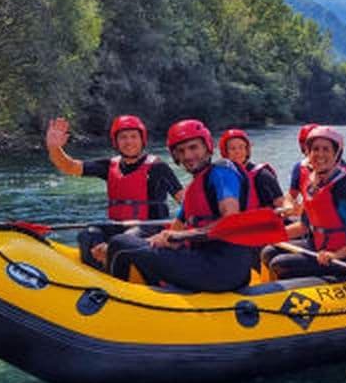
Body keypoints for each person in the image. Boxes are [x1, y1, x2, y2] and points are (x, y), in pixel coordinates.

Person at [104, 119, 253, 292]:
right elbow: (174, 230)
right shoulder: (194, 189)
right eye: (181, 151)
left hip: (224, 270)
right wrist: (150, 241)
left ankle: (113, 300)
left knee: (119, 243)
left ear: (207, 147)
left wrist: (179, 237)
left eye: (193, 147)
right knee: (129, 244)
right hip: (206, 261)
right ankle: (153, 297)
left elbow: (230, 222)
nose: (188, 156)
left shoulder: (222, 173)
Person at [45, 115, 183, 269]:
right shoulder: (109, 166)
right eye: (123, 137)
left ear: (142, 139)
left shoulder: (158, 167)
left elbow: (185, 200)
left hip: (150, 228)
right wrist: (54, 148)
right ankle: (98, 275)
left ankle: (119, 273)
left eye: (133, 136)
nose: (128, 141)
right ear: (116, 142)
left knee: (122, 241)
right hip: (119, 226)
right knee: (89, 234)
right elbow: (70, 166)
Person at [261, 126, 346, 280]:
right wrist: (272, 235)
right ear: (308, 152)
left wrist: (336, 255)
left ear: (336, 154)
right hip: (319, 247)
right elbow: (303, 226)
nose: (320, 154)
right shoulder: (310, 182)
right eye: (315, 149)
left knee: (280, 264)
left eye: (326, 149)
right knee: (269, 252)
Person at [218, 129, 284, 210]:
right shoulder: (218, 177)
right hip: (235, 220)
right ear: (225, 152)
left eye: (241, 147)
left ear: (247, 150)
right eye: (232, 148)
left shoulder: (263, 175)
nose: (237, 151)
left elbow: (281, 202)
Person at [284, 123, 318, 215]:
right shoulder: (300, 167)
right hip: (308, 220)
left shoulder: (340, 171)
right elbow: (291, 194)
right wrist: (288, 205)